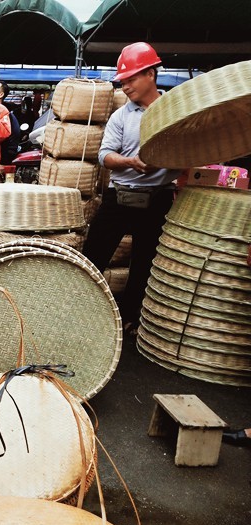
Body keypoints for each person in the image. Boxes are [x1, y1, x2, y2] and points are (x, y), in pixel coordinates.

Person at [82, 42, 180, 333]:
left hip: (158, 198)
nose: (125, 86)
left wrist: (167, 163)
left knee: (144, 263)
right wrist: (131, 162)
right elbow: (104, 156)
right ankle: (79, 310)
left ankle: (130, 320)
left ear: (151, 74)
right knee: (93, 255)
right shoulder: (121, 116)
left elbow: (189, 152)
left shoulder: (173, 111)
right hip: (120, 197)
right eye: (122, 81)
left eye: (131, 78)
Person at [0, 81, 21, 166]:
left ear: (1, 95)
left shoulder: (4, 113)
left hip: (1, 158)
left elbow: (5, 139)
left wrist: (3, 161)